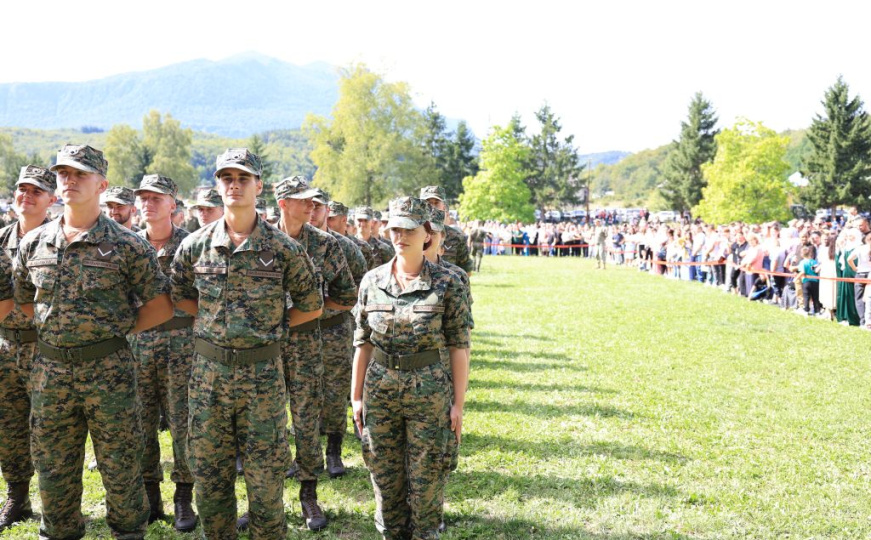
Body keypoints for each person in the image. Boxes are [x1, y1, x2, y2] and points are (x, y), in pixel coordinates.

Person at [13, 144, 174, 540]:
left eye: (79, 174)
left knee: (120, 465)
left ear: (101, 184)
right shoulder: (35, 243)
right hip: (51, 371)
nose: (69, 180)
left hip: (109, 371)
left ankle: (129, 532)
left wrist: (113, 329)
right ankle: (59, 532)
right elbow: (25, 300)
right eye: (64, 173)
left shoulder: (127, 245)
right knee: (53, 466)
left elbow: (161, 305)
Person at [171, 148, 323, 539]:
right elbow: (182, 297)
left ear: (259, 185)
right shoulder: (194, 246)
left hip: (262, 377)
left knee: (267, 479)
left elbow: (310, 306)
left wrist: (270, 329)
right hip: (209, 378)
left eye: (243, 178)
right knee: (210, 477)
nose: (234, 185)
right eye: (226, 178)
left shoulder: (285, 249)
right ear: (218, 185)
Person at [351, 196, 471, 540]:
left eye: (409, 229)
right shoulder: (372, 280)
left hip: (429, 391)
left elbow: (459, 346)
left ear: (427, 234)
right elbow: (363, 342)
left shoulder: (449, 281)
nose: (400, 235)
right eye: (394, 228)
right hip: (380, 389)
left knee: (427, 477)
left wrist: (457, 404)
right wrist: (356, 397)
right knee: (384, 476)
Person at [275, 176, 357, 530]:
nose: (311, 206)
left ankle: (309, 495)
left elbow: (347, 293)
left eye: (313, 201)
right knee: (265, 425)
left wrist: (310, 313)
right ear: (283, 203)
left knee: (307, 421)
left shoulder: (325, 244)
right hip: (266, 345)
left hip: (310, 342)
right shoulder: (260, 241)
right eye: (302, 200)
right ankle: (265, 500)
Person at [130, 174, 198, 532]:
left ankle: (184, 497)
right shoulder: (129, 246)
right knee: (140, 426)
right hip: (137, 349)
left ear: (173, 203)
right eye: (143, 197)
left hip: (181, 348)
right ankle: (150, 497)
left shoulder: (191, 246)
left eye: (157, 197)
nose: (149, 203)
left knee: (184, 425)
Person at [0, 166, 54, 531]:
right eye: (22, 189)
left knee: (52, 429)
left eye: (36, 191)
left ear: (51, 199)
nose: (26, 196)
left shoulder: (59, 241)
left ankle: (60, 503)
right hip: (5, 345)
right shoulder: (1, 239)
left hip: (46, 349)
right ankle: (17, 497)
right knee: (9, 426)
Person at [420, 186, 473, 274]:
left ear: (444, 207)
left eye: (436, 203)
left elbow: (466, 271)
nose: (432, 207)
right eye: (428, 203)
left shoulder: (456, 237)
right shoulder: (411, 234)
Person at [796, 246, 821, 315]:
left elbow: (803, 272)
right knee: (815, 297)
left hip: (806, 281)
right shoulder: (814, 262)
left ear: (802, 254)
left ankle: (806, 310)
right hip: (815, 281)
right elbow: (817, 270)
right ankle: (817, 311)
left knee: (806, 296)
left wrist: (796, 278)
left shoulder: (802, 262)